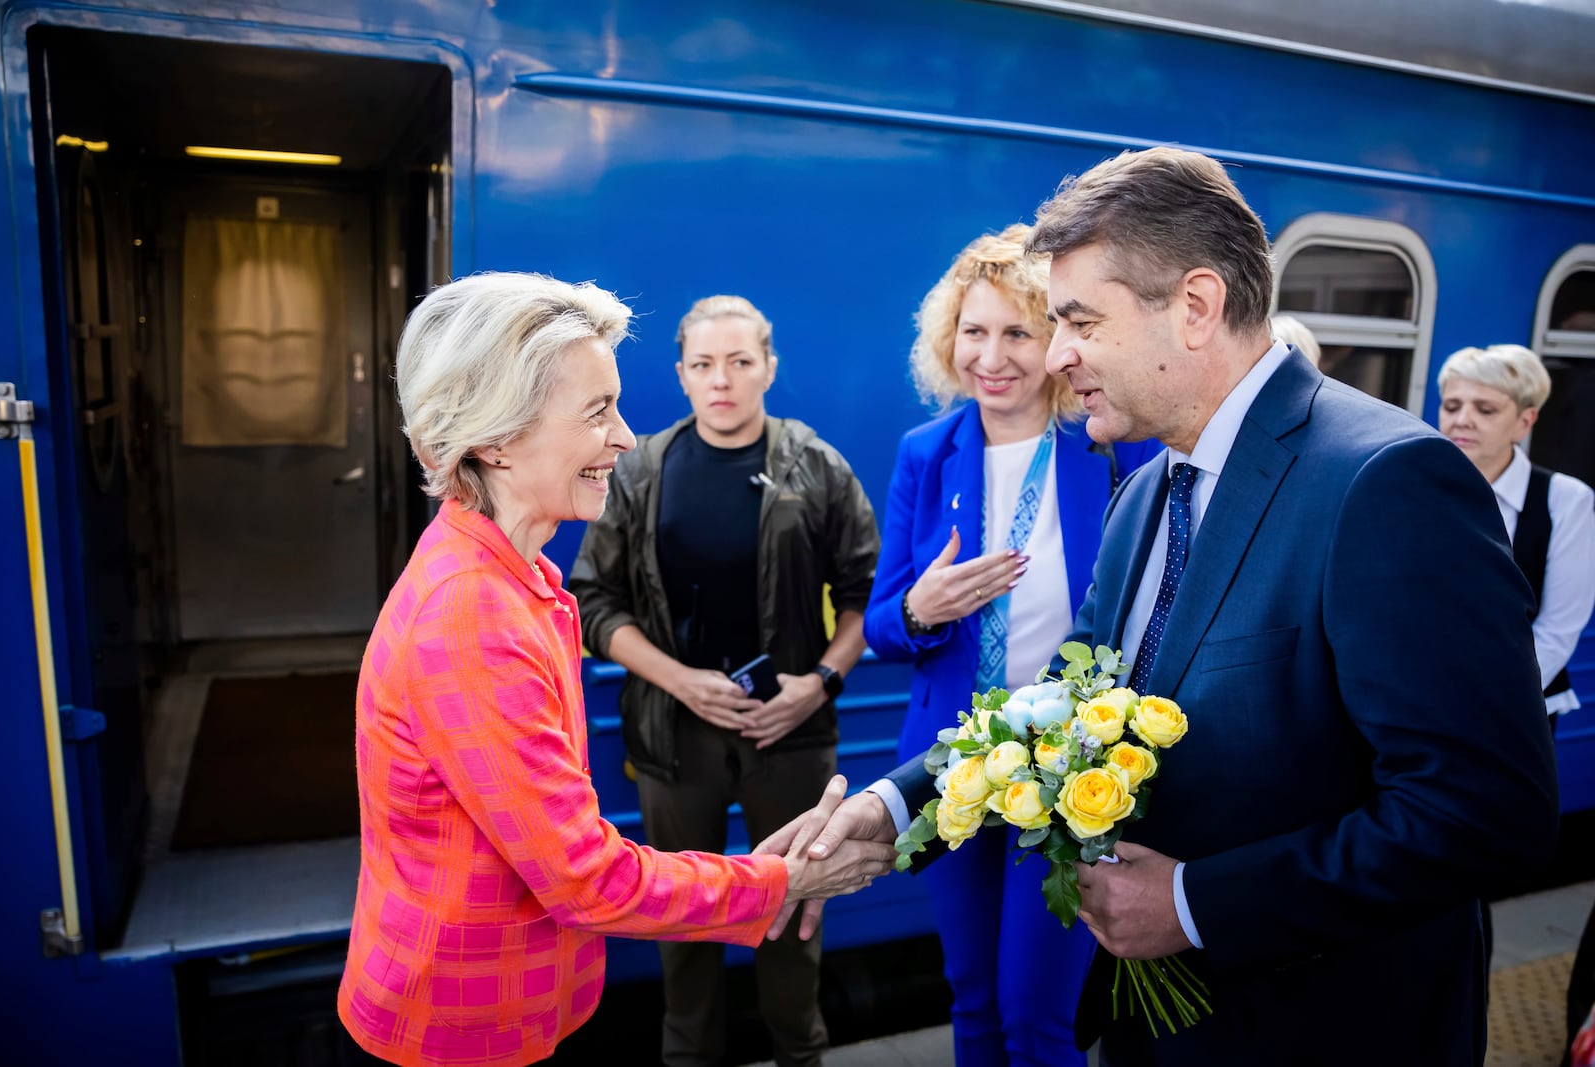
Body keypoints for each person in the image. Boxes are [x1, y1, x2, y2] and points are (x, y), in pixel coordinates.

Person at [763, 147, 1559, 1066]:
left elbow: (1485, 811)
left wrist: (1193, 903)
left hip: (1315, 1031)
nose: (1055, 356)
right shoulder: (1146, 495)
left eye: (1078, 321)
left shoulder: (1387, 480)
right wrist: (892, 808)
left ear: (1194, 306)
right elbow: (1062, 705)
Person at [336, 273, 894, 1067]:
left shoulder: (516, 577)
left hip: (503, 1005)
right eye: (597, 410)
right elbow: (584, 877)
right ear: (495, 438)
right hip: (459, 1029)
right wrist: (776, 879)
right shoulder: (472, 616)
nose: (626, 437)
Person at [862, 223, 1153, 1066]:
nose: (993, 356)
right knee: (975, 1001)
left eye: (1018, 332)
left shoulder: (1109, 446)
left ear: (1056, 340)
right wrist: (921, 607)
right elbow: (883, 625)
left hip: (1071, 766)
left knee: (1038, 1019)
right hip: (950, 763)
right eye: (974, 330)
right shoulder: (927, 452)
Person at [569, 294, 879, 1067]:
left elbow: (866, 596)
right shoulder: (639, 469)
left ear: (769, 366)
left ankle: (799, 1052)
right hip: (676, 741)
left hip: (793, 736)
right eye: (704, 364)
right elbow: (592, 602)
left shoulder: (815, 463)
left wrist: (818, 683)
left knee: (794, 918)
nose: (723, 380)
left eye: (741, 361)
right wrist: (680, 680)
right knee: (683, 930)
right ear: (680, 375)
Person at [1437, 344, 1595, 718]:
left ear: (1525, 421)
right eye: (1452, 406)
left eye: (1485, 409)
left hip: (1514, 711)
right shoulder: (1415, 486)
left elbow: (1557, 630)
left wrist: (1481, 700)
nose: (1463, 420)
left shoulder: (1564, 500)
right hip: (1420, 703)